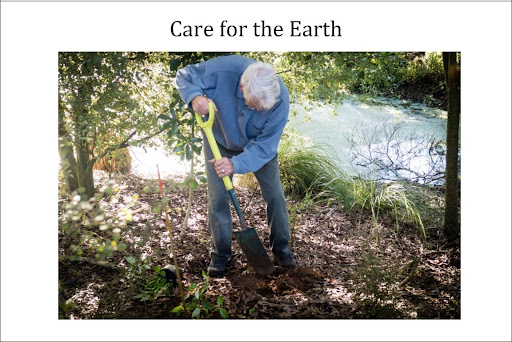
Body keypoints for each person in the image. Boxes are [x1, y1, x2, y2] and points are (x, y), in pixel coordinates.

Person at [176, 54, 296, 277]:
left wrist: (236, 164)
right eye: (256, 105)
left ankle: (281, 249)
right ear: (242, 88)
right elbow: (185, 76)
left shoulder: (278, 98)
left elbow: (265, 146)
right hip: (219, 140)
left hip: (258, 148)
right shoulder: (224, 70)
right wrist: (194, 97)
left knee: (276, 196)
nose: (260, 110)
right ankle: (220, 254)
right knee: (218, 197)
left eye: (263, 107)